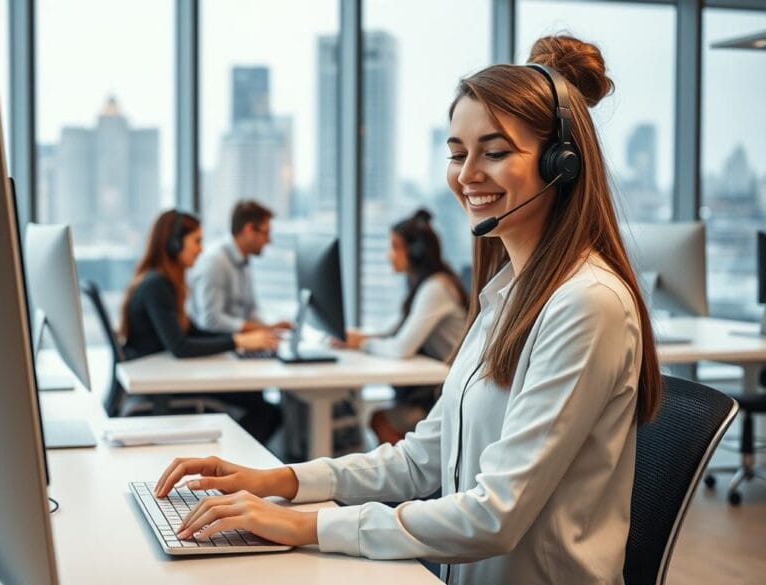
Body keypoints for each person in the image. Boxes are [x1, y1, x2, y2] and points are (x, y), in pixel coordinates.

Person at [152, 35, 663, 585]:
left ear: (562, 164)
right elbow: (420, 459)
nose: (467, 174)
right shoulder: (506, 296)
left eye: (493, 152)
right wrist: (277, 483)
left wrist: (307, 526)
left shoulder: (586, 304)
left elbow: (495, 515)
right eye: (456, 153)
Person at [120, 209, 283, 443]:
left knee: (257, 401)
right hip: (162, 388)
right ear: (175, 244)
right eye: (196, 241)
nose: (201, 249)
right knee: (266, 411)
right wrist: (238, 341)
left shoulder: (163, 281)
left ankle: (237, 461)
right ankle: (235, 460)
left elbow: (190, 332)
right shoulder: (156, 285)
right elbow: (180, 346)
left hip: (166, 376)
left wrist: (242, 339)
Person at [334, 208, 469, 444]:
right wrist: (357, 338)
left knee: (380, 419)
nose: (389, 255)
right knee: (378, 417)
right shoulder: (422, 284)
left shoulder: (436, 288)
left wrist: (364, 343)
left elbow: (400, 349)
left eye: (394, 247)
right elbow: (393, 330)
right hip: (435, 389)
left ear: (415, 252)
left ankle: (412, 477)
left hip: (450, 396)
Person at [187, 200, 291, 334]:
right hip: (215, 346)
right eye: (266, 233)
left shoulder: (244, 261)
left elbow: (250, 311)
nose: (269, 240)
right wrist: (266, 329)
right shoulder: (215, 261)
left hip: (236, 342)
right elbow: (211, 321)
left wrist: (271, 330)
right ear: (249, 230)